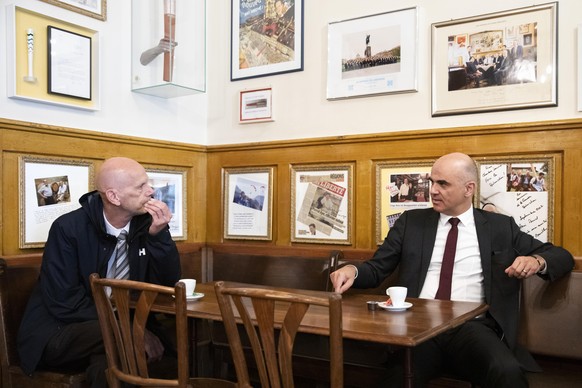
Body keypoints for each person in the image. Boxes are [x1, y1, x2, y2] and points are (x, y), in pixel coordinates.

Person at [330, 152, 574, 387]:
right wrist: (352, 270)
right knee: (397, 378)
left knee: (507, 372)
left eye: (443, 184)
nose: (433, 190)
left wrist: (537, 261)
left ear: (469, 189)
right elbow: (376, 268)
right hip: (419, 328)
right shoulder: (411, 223)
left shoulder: (500, 227)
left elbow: (561, 256)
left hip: (472, 327)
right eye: (432, 182)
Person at [18, 157, 181, 388]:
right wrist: (130, 331)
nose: (151, 191)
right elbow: (64, 302)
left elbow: (167, 285)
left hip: (112, 335)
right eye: (141, 187)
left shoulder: (147, 225)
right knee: (125, 344)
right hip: (58, 331)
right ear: (114, 196)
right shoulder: (68, 228)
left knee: (112, 365)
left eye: (148, 183)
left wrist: (159, 236)